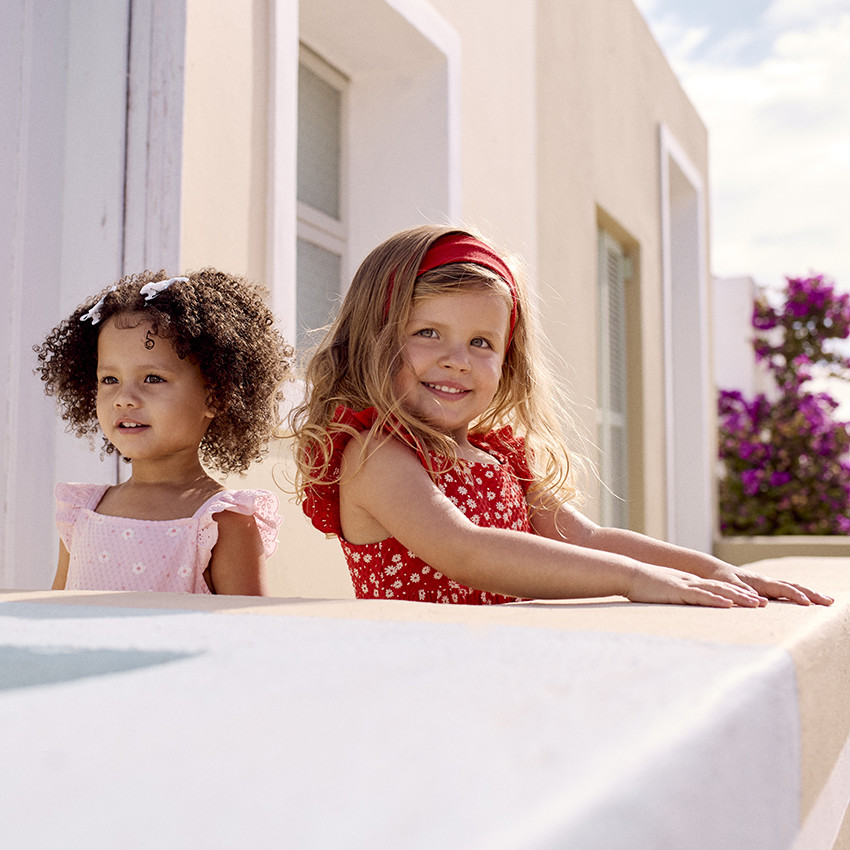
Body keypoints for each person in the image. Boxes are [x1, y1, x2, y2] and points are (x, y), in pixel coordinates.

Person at [291, 225, 833, 607]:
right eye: (427, 332)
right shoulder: (375, 454)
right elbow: (464, 551)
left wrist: (713, 569)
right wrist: (633, 580)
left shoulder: (498, 455)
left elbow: (587, 539)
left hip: (505, 671)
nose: (456, 358)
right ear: (373, 338)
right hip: (422, 678)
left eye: (482, 341)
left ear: (508, 359)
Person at [35, 269, 294, 595]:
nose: (124, 399)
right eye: (110, 380)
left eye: (153, 378)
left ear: (215, 395)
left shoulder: (222, 522)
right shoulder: (81, 513)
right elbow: (53, 615)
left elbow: (247, 634)